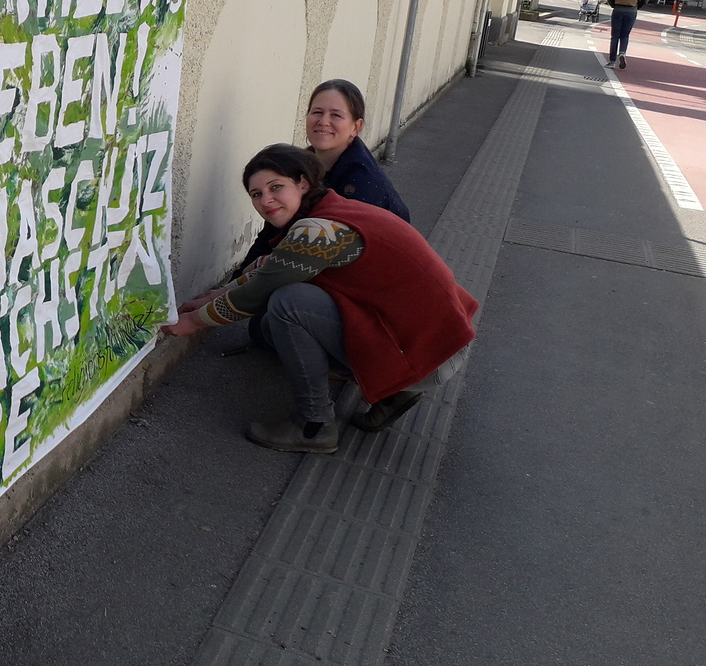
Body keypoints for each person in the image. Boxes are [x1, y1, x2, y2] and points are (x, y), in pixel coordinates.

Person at [164, 144, 478, 453]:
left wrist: (192, 321)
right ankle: (393, 392)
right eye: (256, 194)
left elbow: (257, 293)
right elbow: (272, 269)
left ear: (302, 183)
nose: (265, 200)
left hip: (431, 353)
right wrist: (215, 296)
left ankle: (313, 425)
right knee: (275, 318)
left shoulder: (317, 231)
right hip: (436, 341)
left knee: (287, 305)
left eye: (276, 187)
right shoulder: (330, 209)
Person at [233, 79, 408, 348]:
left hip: (371, 296)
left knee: (271, 319)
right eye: (316, 112)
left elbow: (316, 258)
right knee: (263, 322)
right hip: (331, 272)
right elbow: (273, 231)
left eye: (336, 115)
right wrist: (234, 283)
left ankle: (348, 360)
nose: (323, 121)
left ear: (356, 127)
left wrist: (233, 297)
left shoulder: (362, 184)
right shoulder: (303, 165)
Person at [607, 0, 645, 69]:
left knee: (615, 36)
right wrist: (636, 7)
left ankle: (612, 61)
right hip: (631, 10)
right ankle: (622, 53)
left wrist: (614, 5)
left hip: (618, 9)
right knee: (625, 35)